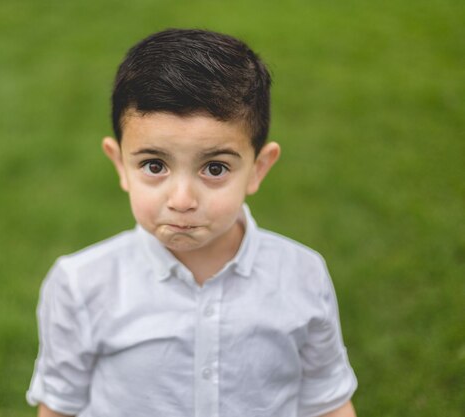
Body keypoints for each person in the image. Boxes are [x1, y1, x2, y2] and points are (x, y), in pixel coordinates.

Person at [27, 28, 358, 417]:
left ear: (258, 168)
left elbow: (328, 401)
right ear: (120, 163)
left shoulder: (302, 276)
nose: (182, 200)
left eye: (214, 168)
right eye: (154, 166)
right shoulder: (81, 286)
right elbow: (60, 407)